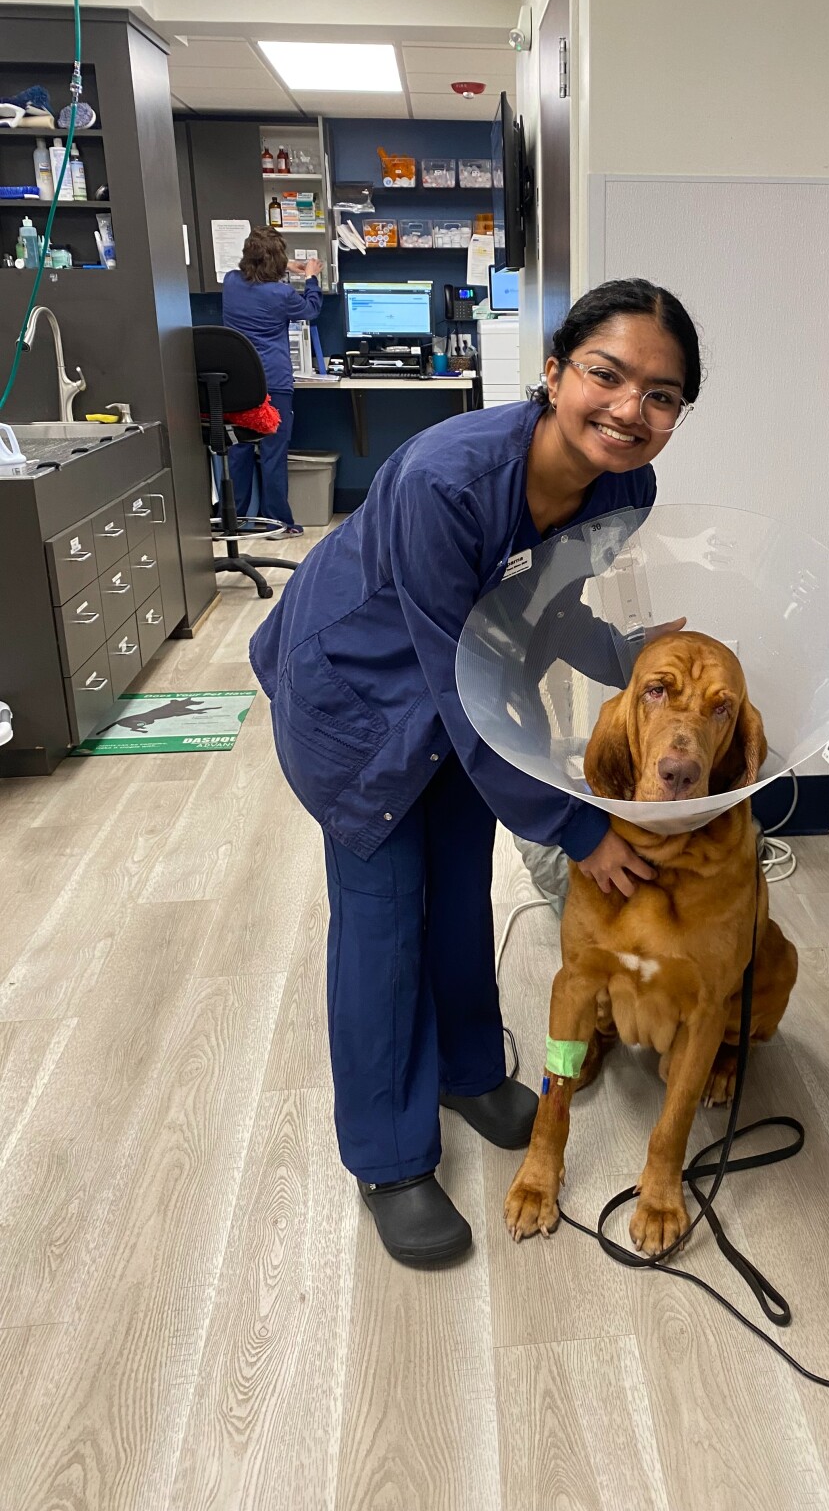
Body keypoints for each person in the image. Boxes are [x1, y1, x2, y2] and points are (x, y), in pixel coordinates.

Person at [249, 278, 702, 1267]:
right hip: (358, 693)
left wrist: (623, 657)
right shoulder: (446, 482)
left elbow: (540, 607)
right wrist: (579, 825)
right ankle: (389, 1158)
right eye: (607, 374)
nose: (630, 409)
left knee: (458, 893)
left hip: (467, 699)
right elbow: (453, 673)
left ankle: (465, 1071)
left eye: (661, 395)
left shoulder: (625, 491)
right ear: (555, 371)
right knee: (384, 922)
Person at [221, 226, 322, 539]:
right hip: (273, 383)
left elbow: (252, 275)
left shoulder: (230, 282)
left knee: (238, 451)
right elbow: (311, 310)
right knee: (273, 454)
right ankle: (277, 523)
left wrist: (282, 265)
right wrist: (311, 278)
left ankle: (234, 522)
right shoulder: (282, 294)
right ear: (277, 261)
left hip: (237, 383)